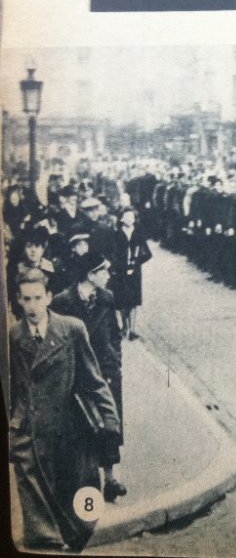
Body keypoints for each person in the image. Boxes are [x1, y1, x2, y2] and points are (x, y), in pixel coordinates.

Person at [9, 268, 121, 551]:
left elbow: (93, 380)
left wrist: (110, 421)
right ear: (19, 300)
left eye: (37, 298)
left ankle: (74, 538)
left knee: (79, 500)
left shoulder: (71, 329)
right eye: (26, 299)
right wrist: (14, 428)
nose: (32, 306)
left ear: (49, 297)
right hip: (30, 432)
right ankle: (48, 542)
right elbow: (13, 387)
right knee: (40, 516)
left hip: (69, 428)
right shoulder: (13, 337)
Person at [51, 252, 128, 503]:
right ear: (91, 275)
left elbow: (115, 334)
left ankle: (110, 478)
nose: (108, 275)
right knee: (83, 426)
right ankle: (86, 482)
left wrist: (115, 361)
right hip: (77, 374)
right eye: (103, 270)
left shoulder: (107, 298)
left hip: (105, 372)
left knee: (109, 423)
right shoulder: (63, 301)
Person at [109, 206, 153, 341]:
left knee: (133, 300)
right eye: (126, 216)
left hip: (135, 272)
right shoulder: (116, 234)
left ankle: (132, 330)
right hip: (121, 271)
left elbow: (148, 253)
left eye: (131, 216)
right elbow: (113, 253)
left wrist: (136, 263)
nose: (129, 219)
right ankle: (124, 326)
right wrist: (120, 266)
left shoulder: (138, 233)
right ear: (121, 219)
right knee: (122, 300)